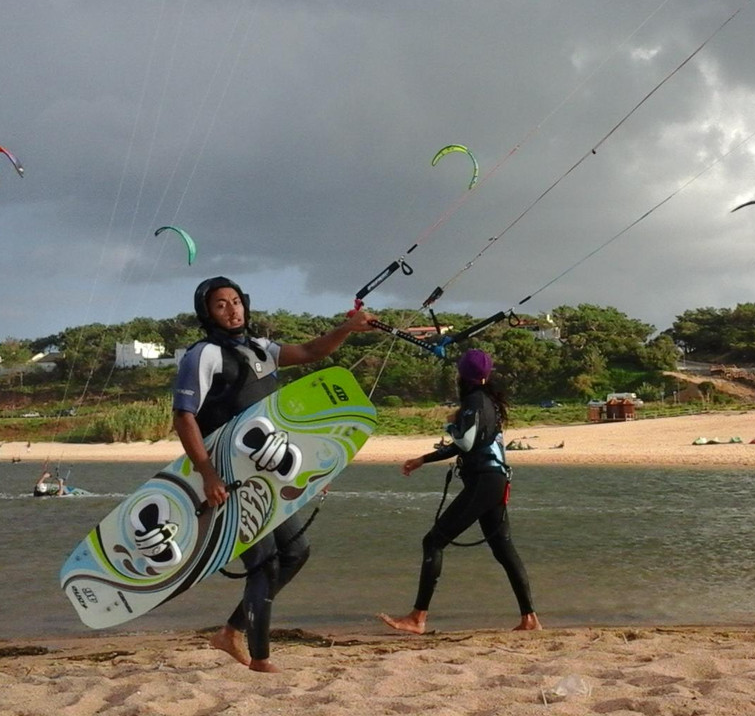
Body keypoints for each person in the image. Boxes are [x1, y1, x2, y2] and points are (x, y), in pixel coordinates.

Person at [173, 275, 377, 673]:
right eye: (220, 304)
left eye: (236, 301)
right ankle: (260, 660)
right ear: (207, 313)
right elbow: (184, 418)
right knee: (264, 561)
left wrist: (347, 328)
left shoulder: (261, 349)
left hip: (266, 472)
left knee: (296, 552)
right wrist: (208, 473)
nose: (232, 310)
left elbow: (311, 351)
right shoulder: (203, 356)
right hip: (228, 478)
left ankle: (230, 631)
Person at [379, 348, 541, 635]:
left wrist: (450, 425)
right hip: (495, 480)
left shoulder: (473, 402)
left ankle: (418, 618)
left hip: (484, 481)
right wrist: (423, 459)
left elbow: (464, 442)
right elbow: (470, 443)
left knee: (434, 541)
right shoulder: (488, 400)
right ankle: (530, 619)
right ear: (486, 375)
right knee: (504, 549)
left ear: (461, 374)